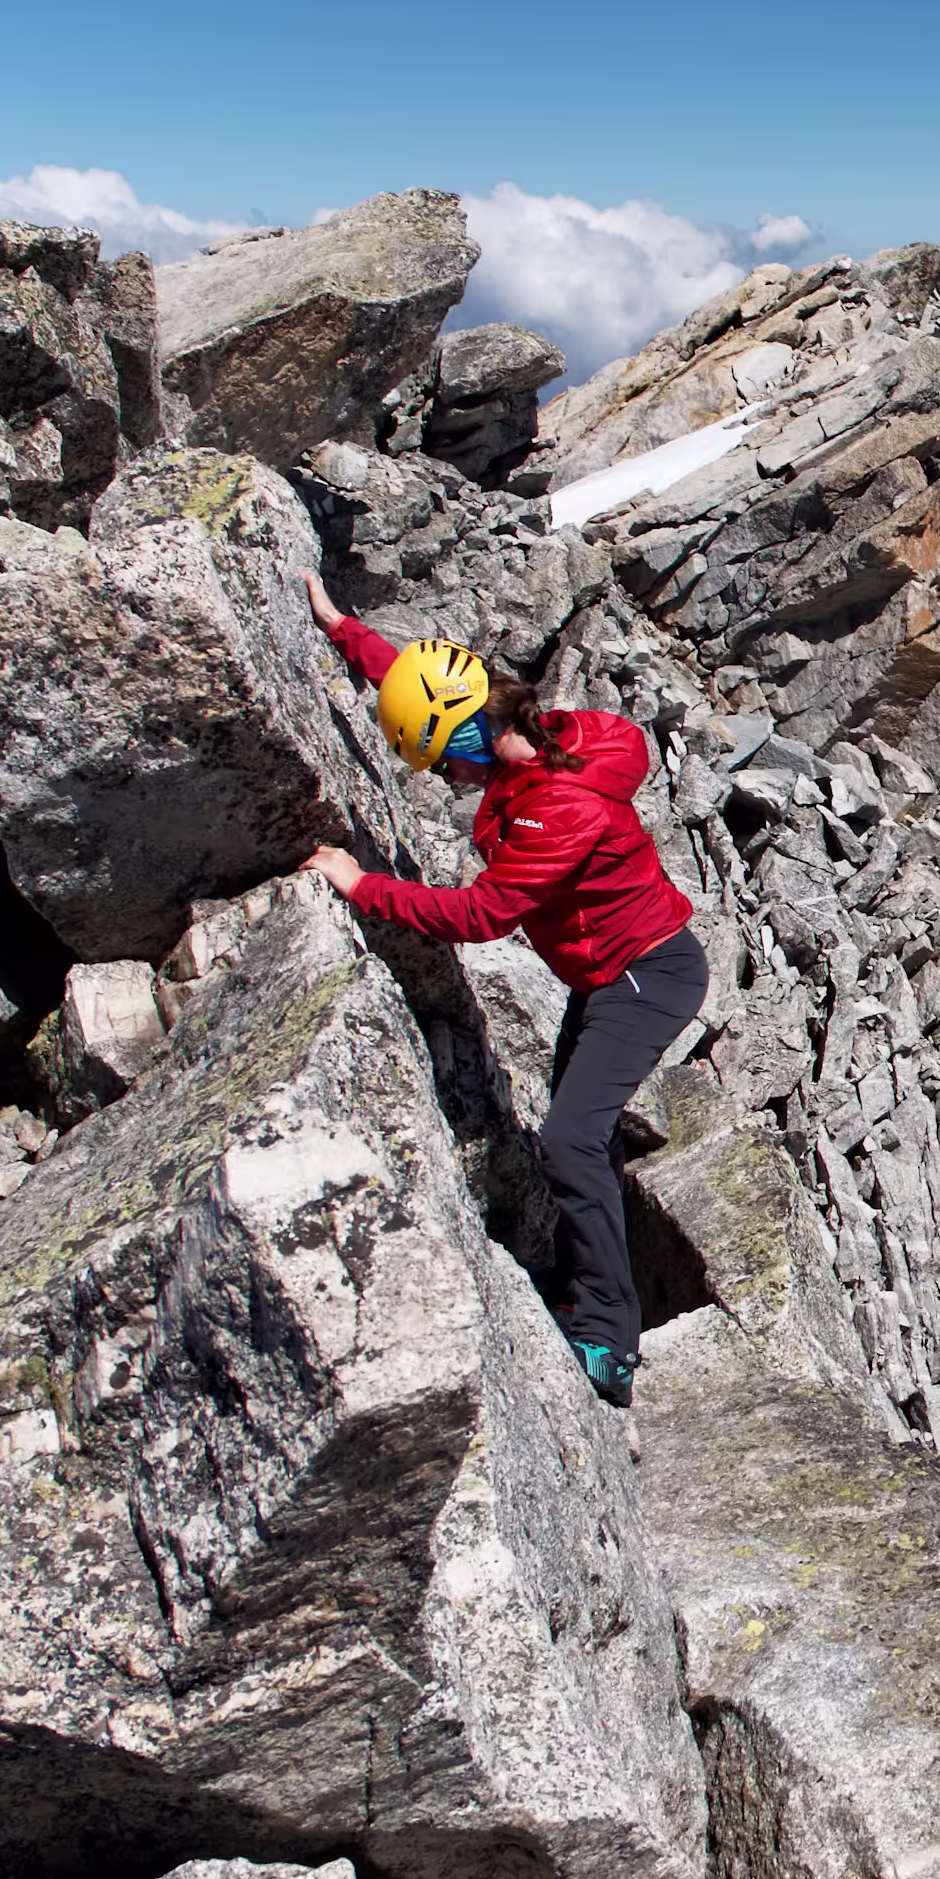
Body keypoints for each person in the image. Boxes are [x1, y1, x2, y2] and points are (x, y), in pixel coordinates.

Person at [297, 573, 702, 1409]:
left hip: (644, 979)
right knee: (576, 1134)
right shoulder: (542, 731)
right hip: (612, 974)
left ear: (474, 742)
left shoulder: (559, 810)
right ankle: (588, 1282)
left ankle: (609, 1345)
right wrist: (346, 631)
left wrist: (359, 884)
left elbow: (481, 914)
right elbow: (437, 686)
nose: (447, 780)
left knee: (570, 1139)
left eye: (446, 763)